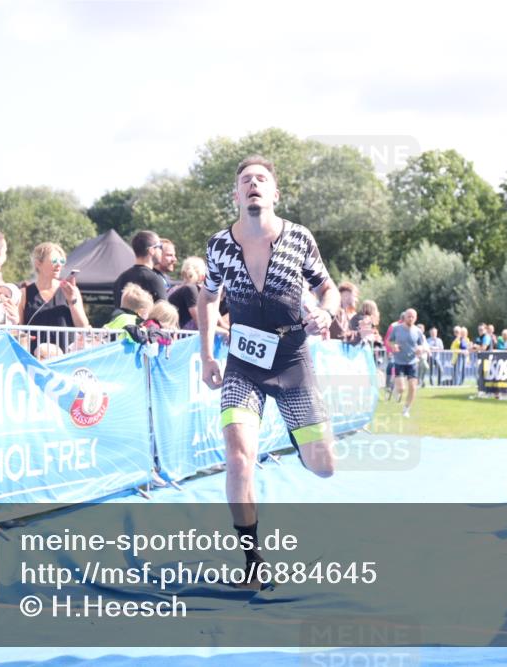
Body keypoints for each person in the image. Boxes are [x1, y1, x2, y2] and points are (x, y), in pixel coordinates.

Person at [197, 156, 339, 584]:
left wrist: (328, 314)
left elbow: (327, 288)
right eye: (246, 181)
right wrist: (206, 355)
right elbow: (206, 298)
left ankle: (302, 440)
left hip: (292, 359)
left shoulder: (299, 237)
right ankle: (252, 561)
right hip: (243, 364)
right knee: (239, 459)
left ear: (274, 194)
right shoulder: (219, 245)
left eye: (262, 179)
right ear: (237, 195)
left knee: (324, 466)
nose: (253, 184)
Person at [19, 242, 90, 349]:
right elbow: (18, 329)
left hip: (64, 356)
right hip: (35, 357)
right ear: (38, 263)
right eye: (54, 261)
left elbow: (83, 327)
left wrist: (72, 301)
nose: (59, 265)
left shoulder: (71, 290)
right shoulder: (24, 293)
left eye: (62, 261)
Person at [113, 230, 168, 309]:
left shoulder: (120, 279)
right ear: (151, 250)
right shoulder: (153, 279)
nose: (161, 251)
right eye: (160, 247)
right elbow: (165, 314)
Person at [389, 308, 428, 417]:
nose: (410, 319)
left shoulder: (418, 331)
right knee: (402, 388)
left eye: (413, 317)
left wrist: (420, 348)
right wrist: (393, 346)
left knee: (413, 387)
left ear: (415, 318)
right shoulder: (396, 329)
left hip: (412, 362)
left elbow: (421, 344)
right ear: (404, 317)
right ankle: (397, 390)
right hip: (399, 361)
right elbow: (389, 341)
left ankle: (406, 409)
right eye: (408, 316)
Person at [167, 256, 207, 329]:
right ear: (202, 277)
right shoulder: (191, 290)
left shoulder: (173, 290)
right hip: (184, 336)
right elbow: (201, 324)